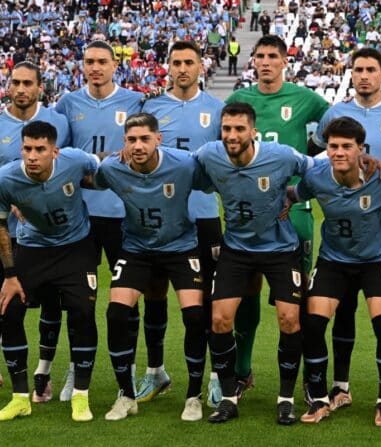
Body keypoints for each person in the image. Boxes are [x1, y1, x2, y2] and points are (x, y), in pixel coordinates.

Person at [310, 47, 381, 411]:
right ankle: (340, 385)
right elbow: (316, 155)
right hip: (344, 230)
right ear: (350, 73)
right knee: (341, 308)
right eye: (358, 69)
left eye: (372, 69)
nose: (365, 75)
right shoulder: (336, 113)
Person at [196, 102, 314, 425]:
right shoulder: (210, 154)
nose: (232, 136)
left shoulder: (281, 155)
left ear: (253, 131)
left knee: (290, 320)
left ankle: (286, 399)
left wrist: (295, 194)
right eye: (226, 129)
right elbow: (183, 171)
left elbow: (317, 171)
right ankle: (230, 396)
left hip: (280, 248)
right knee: (220, 320)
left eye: (239, 129)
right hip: (236, 248)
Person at [225, 36, 330, 397]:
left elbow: (336, 128)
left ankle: (302, 378)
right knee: (247, 291)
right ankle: (242, 371)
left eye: (273, 56)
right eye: (260, 56)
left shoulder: (306, 98)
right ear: (252, 61)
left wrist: (312, 155)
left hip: (293, 213)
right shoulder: (239, 102)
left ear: (285, 61)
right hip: (247, 216)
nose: (265, 62)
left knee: (295, 302)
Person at [296, 117, 381, 426]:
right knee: (313, 322)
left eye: (347, 146)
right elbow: (294, 194)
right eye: (333, 146)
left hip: (377, 260)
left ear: (362, 149)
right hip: (334, 260)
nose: (339, 152)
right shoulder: (317, 176)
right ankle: (320, 398)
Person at [95, 113, 208, 422]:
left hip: (182, 246)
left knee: (195, 316)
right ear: (124, 143)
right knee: (117, 313)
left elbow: (215, 179)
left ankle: (194, 396)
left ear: (159, 139)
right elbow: (88, 177)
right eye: (131, 140)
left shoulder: (184, 164)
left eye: (145, 138)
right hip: (137, 248)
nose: (138, 146)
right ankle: (126, 396)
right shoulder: (111, 168)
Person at [0, 120, 101, 422]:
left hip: (76, 248)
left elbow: (100, 166)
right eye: (27, 149)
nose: (32, 156)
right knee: (9, 310)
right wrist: (10, 275)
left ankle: (80, 397)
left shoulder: (75, 160)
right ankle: (20, 397)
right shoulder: (6, 178)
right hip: (33, 249)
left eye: (40, 149)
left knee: (82, 313)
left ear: (55, 151)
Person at [0, 61, 70, 404]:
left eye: (28, 82)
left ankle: (43, 374)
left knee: (50, 304)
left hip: (46, 235)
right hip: (2, 231)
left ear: (40, 86)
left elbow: (67, 164)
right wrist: (12, 201)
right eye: (16, 82)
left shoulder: (58, 122)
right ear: (8, 85)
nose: (21, 88)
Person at [138, 41, 225, 408]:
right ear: (168, 67)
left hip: (203, 214)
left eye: (189, 62)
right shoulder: (151, 107)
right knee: (154, 292)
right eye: (176, 63)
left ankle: (217, 375)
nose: (183, 68)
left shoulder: (218, 109)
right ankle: (156, 371)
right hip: (159, 215)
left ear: (201, 66)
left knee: (208, 299)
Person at [55, 40, 143, 400]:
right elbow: (57, 155)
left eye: (102, 62)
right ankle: (76, 369)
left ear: (114, 65)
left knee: (127, 299)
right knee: (79, 300)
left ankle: (130, 371)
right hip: (82, 219)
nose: (95, 67)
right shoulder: (67, 103)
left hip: (124, 216)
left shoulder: (135, 102)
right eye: (89, 61)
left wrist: (94, 160)